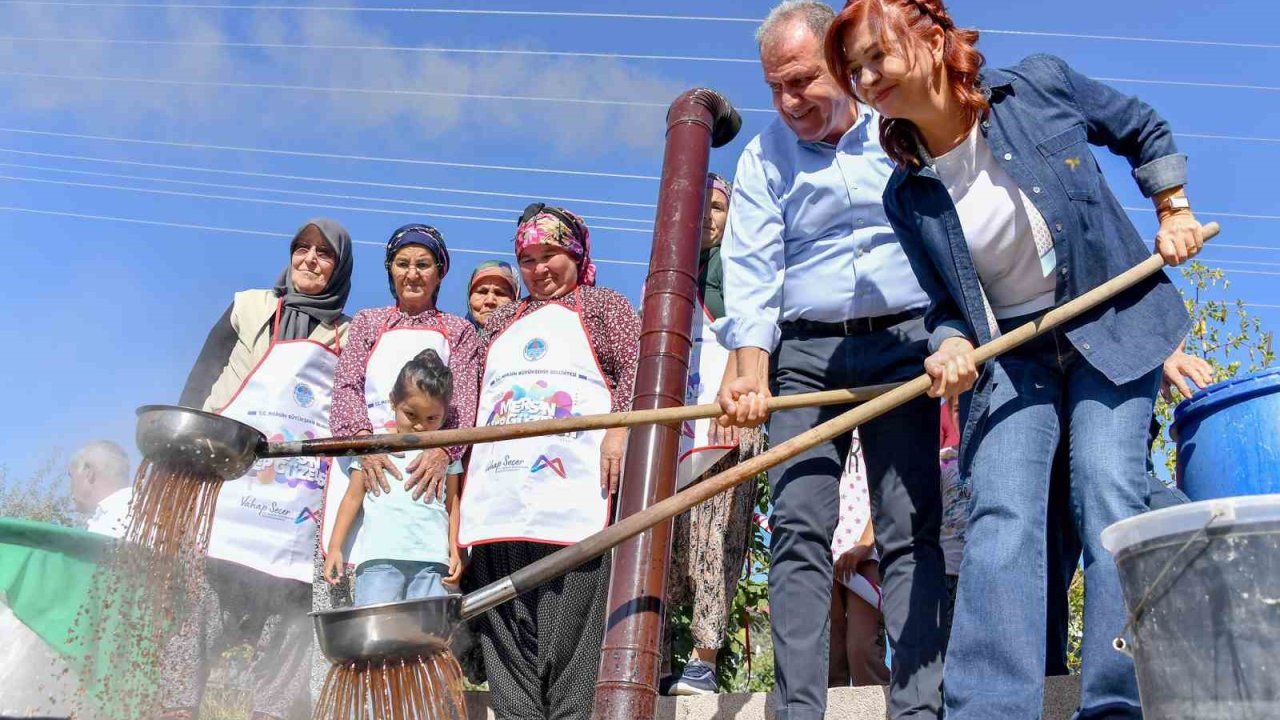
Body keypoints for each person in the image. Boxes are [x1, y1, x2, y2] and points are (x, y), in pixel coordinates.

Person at [826, 2, 1205, 716]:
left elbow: (1140, 125)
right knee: (1001, 511)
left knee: (1107, 489)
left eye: (877, 54)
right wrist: (949, 343)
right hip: (1013, 356)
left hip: (1110, 322)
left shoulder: (1038, 87)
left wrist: (1172, 205)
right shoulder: (905, 195)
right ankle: (989, 708)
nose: (867, 76)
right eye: (855, 70)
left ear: (933, 38)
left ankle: (1118, 701)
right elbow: (943, 303)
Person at [714, 3, 948, 717]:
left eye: (803, 80)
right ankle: (798, 710)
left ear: (842, 65)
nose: (789, 103)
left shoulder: (898, 125)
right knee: (796, 527)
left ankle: (918, 707)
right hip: (808, 354)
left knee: (910, 529)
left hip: (905, 343)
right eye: (775, 88)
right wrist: (750, 371)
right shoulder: (764, 158)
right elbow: (753, 268)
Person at [165, 218, 354, 720]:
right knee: (195, 614)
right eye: (302, 249)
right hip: (223, 486)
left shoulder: (347, 334)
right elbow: (202, 376)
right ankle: (172, 710)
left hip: (292, 506)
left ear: (340, 268)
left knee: (286, 629)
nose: (310, 260)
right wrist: (180, 450)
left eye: (324, 254)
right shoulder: (249, 305)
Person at [458, 203, 640, 720]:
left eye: (551, 255)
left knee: (568, 643)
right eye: (528, 258)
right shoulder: (498, 323)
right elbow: (466, 399)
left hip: (573, 494)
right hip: (497, 499)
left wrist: (619, 430)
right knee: (507, 645)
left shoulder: (604, 307)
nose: (538, 269)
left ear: (577, 253)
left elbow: (636, 369)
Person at [663, 173, 764, 696]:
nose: (706, 216)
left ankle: (703, 658)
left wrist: (733, 387)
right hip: (677, 423)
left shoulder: (744, 264)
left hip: (729, 416)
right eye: (697, 205)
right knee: (669, 539)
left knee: (716, 537)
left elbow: (752, 326)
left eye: (718, 206)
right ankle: (659, 653)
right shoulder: (670, 274)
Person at [324, 349, 462, 605]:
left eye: (432, 418)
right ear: (392, 402)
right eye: (411, 415)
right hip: (379, 561)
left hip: (432, 563)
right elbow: (352, 499)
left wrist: (455, 550)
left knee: (428, 638)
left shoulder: (445, 458)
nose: (420, 425)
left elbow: (452, 504)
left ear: (445, 416)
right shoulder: (375, 452)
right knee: (376, 633)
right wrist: (335, 548)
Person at [827, 429, 890, 688]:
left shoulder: (878, 426)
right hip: (824, 554)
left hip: (867, 556)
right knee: (829, 656)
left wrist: (864, 544)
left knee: (862, 648)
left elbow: (889, 489)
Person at [68, 440, 133, 538]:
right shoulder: (144, 507)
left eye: (71, 477)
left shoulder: (111, 521)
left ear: (88, 472)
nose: (70, 487)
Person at [465, 260, 520, 329]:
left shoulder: (529, 336)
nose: (490, 301)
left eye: (500, 293)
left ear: (515, 299)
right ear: (469, 297)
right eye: (482, 292)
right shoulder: (453, 336)